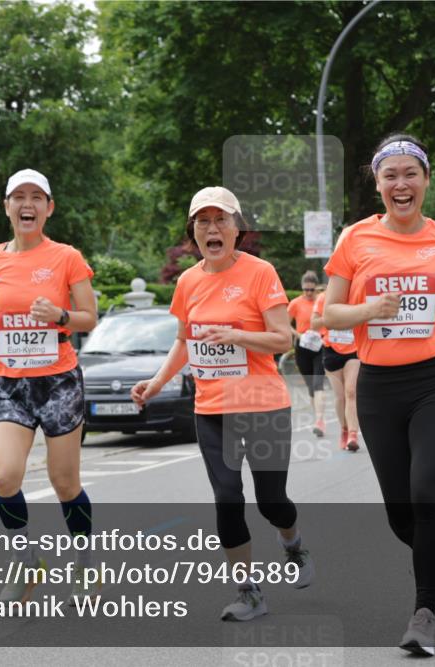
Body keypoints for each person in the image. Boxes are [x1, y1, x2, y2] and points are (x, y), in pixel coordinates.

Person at [322, 134, 435, 656]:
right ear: (378, 184)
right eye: (390, 175)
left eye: (410, 173)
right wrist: (370, 311)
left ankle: (424, 613)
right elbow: (330, 313)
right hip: (379, 388)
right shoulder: (355, 239)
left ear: (426, 180)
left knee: (427, 493)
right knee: (400, 514)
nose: (401, 183)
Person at [132, 186, 314, 622]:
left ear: (237, 229)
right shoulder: (188, 281)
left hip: (263, 404)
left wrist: (237, 336)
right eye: (202, 222)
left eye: (221, 220)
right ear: (193, 232)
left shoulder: (260, 272)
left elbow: (282, 338)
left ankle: (292, 543)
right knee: (227, 497)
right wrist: (157, 382)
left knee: (272, 502)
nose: (211, 229)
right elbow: (184, 341)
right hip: (212, 409)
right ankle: (249, 591)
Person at [0, 169, 98, 603]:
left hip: (58, 379)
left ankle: (85, 562)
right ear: (6, 207)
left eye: (36, 197)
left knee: (64, 482)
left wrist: (60, 317)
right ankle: (27, 563)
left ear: (49, 208)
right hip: (9, 381)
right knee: (5, 476)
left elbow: (89, 316)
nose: (27, 204)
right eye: (18, 197)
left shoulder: (66, 256)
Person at [312, 288, 361, 451]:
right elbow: (314, 323)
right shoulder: (323, 298)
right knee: (340, 397)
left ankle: (353, 434)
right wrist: (334, 316)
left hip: (353, 349)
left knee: (351, 392)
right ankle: (345, 430)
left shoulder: (356, 294)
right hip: (331, 349)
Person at [287, 271, 327, 437]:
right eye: (305, 289)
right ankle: (317, 417)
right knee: (311, 385)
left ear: (315, 288)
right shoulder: (296, 303)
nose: (308, 293)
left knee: (318, 383)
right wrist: (298, 335)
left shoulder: (322, 301)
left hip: (320, 345)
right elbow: (284, 323)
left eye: (311, 289)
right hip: (302, 346)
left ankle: (319, 420)